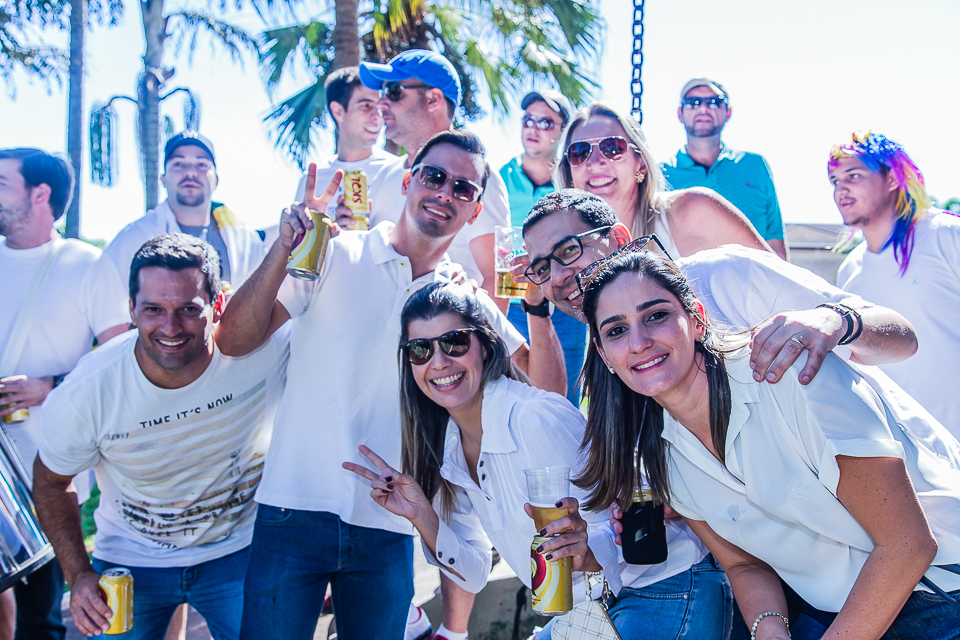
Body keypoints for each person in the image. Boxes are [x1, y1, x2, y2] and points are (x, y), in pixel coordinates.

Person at [520, 189, 922, 639]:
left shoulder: (731, 289)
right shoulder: (629, 402)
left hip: (923, 570)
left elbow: (904, 337)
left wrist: (834, 321)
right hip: (810, 592)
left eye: (569, 249)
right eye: (540, 267)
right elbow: (740, 558)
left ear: (696, 317)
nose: (558, 274)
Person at [216, 131, 559, 640]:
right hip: (293, 509)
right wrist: (282, 248)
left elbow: (545, 395)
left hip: (389, 524)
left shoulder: (462, 300)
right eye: (434, 176)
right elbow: (232, 340)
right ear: (407, 181)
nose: (445, 192)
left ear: (475, 211)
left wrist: (536, 304)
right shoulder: (331, 253)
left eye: (462, 188)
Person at [578, 250, 960, 640]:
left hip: (938, 598)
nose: (639, 342)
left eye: (656, 315)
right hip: (828, 616)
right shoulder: (661, 452)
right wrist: (770, 631)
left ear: (696, 319)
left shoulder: (786, 373)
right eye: (616, 330)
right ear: (605, 355)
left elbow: (907, 545)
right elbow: (743, 565)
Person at [344, 281, 729, 639]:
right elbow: (474, 573)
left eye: (455, 342)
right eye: (421, 349)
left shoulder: (532, 419)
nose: (439, 361)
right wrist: (421, 516)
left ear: (487, 345)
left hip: (663, 587)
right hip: (594, 608)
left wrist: (587, 550)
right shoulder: (449, 446)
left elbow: (617, 523)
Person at [32, 234, 289, 640]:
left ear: (218, 306)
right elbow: (50, 484)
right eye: (153, 309)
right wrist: (79, 574)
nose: (170, 327)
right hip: (130, 562)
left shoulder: (266, 353)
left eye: (189, 309)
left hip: (240, 551)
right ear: (131, 309)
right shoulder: (88, 390)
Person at [0, 147, 129, 640]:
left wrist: (47, 388)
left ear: (41, 194)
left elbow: (121, 358)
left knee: (40, 616)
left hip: (50, 472)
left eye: (3, 183)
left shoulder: (86, 264)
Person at [358, 49, 512, 309]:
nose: (381, 104)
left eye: (394, 92)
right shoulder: (384, 175)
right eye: (381, 93)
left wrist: (478, 346)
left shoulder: (480, 181)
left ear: (433, 100)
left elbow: (500, 278)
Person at [830, 131, 960, 439]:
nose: (840, 189)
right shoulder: (850, 270)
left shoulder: (946, 235)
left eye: (854, 174)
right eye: (834, 180)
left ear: (892, 178)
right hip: (908, 454)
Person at [556, 102, 771, 260]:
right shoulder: (573, 253)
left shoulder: (694, 211)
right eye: (579, 152)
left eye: (613, 148)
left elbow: (780, 283)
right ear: (570, 172)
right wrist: (535, 304)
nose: (595, 163)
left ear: (640, 163)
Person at [497, 90, 585, 404]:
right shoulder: (497, 178)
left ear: (563, 133)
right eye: (528, 120)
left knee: (564, 403)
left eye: (545, 122)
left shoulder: (576, 182)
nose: (533, 128)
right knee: (514, 397)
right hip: (515, 303)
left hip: (566, 304)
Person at [103, 131, 265, 294]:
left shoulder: (247, 241)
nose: (190, 172)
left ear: (216, 180)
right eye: (179, 164)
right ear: (163, 179)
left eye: (201, 164)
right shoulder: (132, 240)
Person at [661, 78, 787, 259]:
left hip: (749, 283)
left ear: (727, 112)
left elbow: (774, 243)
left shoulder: (755, 166)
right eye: (693, 103)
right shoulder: (660, 174)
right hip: (683, 285)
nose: (703, 109)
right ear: (680, 113)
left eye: (714, 102)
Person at [290, 66, 404, 229]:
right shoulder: (312, 181)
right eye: (366, 106)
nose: (377, 117)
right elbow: (300, 247)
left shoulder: (397, 171)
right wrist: (328, 231)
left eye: (379, 109)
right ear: (338, 111)